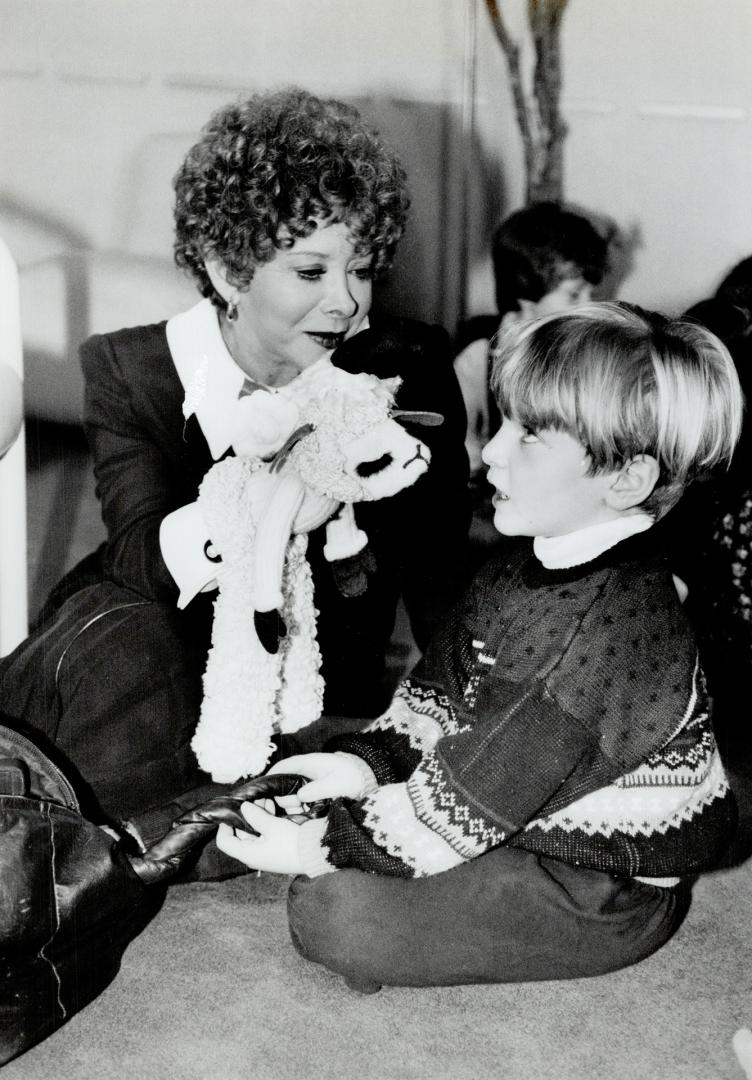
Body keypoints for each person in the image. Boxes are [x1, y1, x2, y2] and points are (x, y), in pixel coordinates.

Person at [216, 301, 742, 991]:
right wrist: (363, 768)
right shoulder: (518, 569)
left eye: (529, 436)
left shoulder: (608, 626)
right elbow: (438, 700)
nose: (490, 449)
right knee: (300, 792)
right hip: (514, 803)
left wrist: (328, 843)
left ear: (627, 480)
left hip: (601, 881)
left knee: (334, 911)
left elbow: (480, 785)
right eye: (504, 423)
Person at [0, 87, 470, 828]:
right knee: (120, 658)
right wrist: (264, 504)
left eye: (363, 269)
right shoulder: (133, 368)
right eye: (312, 273)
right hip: (151, 628)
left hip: (310, 680)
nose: (346, 303)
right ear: (227, 272)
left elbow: (442, 570)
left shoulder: (399, 374)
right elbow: (139, 559)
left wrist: (461, 724)